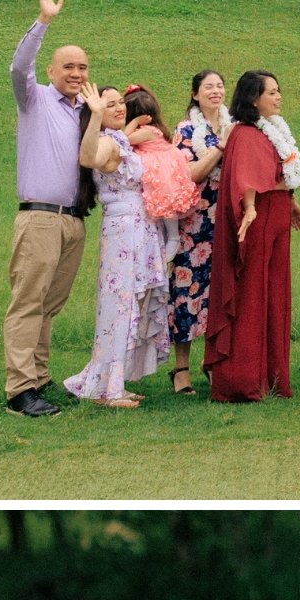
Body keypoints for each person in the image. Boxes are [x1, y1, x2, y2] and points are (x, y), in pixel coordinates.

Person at [5, 0, 92, 418]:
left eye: (83, 68)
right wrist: (43, 20)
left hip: (72, 221)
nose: (76, 74)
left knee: (49, 306)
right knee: (28, 302)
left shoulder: (86, 113)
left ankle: (38, 379)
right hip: (39, 218)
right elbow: (19, 68)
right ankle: (19, 391)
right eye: (69, 67)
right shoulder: (34, 100)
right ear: (53, 72)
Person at [62, 85, 172, 408]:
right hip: (124, 232)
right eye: (110, 104)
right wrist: (97, 116)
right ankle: (108, 388)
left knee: (133, 303)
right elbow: (87, 156)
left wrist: (129, 130)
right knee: (120, 304)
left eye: (120, 102)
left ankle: (116, 381)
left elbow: (121, 141)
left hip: (140, 229)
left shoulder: (118, 139)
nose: (119, 107)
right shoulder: (106, 142)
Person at [205, 69, 300, 405]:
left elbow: (280, 173)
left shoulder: (274, 130)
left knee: (275, 296)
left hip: (276, 218)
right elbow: (247, 178)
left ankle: (274, 376)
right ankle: (243, 378)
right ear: (252, 98)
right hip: (258, 221)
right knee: (252, 296)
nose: (278, 97)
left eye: (278, 91)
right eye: (271, 92)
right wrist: (248, 208)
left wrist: (291, 203)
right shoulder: (245, 134)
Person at [166, 70, 230, 396]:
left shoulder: (235, 125)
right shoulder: (186, 130)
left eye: (220, 86)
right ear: (195, 94)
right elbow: (190, 173)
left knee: (220, 295)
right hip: (195, 224)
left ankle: (216, 363)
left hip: (228, 222)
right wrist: (221, 147)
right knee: (187, 293)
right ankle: (180, 370)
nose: (216, 91)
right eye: (208, 87)